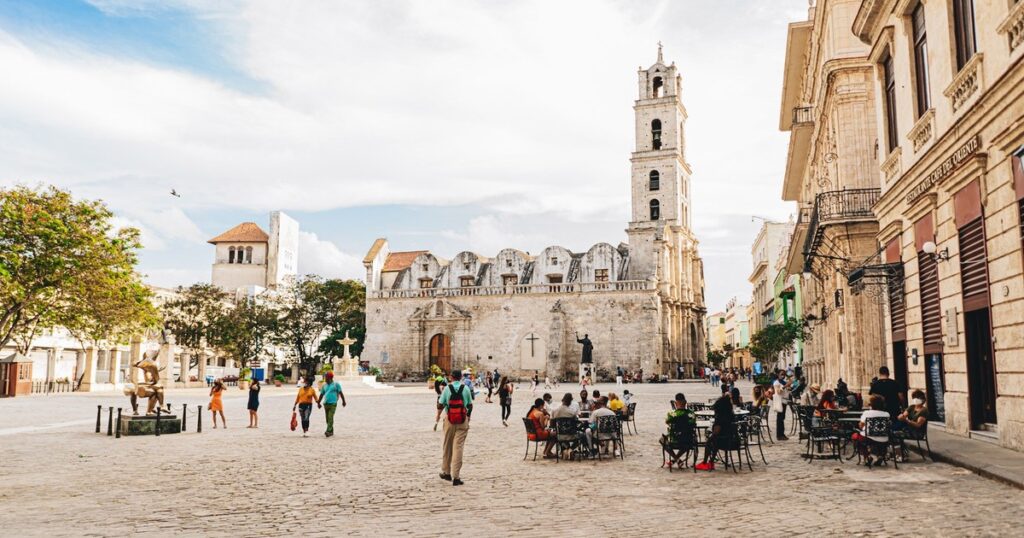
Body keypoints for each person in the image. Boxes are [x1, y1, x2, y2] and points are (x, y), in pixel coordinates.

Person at [438, 369, 473, 486]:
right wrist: (468, 417)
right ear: (461, 377)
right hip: (462, 420)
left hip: (449, 419)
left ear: (451, 377)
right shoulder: (466, 388)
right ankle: (456, 477)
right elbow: (470, 405)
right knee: (458, 447)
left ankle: (446, 472)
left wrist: (438, 416)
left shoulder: (447, 388)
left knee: (447, 445)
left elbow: (441, 403)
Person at [695, 386, 735, 471]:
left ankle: (705, 462)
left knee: (711, 441)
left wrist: (710, 437)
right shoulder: (731, 416)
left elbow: (716, 432)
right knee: (715, 440)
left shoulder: (720, 418)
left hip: (725, 442)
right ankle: (711, 461)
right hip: (733, 439)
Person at [853, 395, 891, 467]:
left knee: (855, 436)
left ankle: (866, 456)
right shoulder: (887, 414)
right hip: (884, 438)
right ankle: (880, 455)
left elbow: (861, 426)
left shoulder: (867, 413)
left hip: (869, 438)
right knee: (877, 439)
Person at [661, 393, 697, 468]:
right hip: (688, 439)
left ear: (676, 402)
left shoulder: (672, 414)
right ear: (685, 402)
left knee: (662, 440)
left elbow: (667, 422)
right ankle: (676, 459)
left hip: (675, 439)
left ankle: (676, 459)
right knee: (687, 440)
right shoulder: (691, 413)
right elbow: (693, 423)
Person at [317, 371, 346, 438]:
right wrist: (318, 403)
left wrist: (343, 401)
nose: (325, 378)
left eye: (326, 377)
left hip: (333, 403)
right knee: (327, 419)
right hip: (326, 404)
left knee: (330, 417)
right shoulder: (324, 385)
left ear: (330, 378)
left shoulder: (336, 385)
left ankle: (328, 431)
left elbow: (341, 393)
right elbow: (321, 394)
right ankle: (331, 431)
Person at [772, 371, 790, 441]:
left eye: (784, 375)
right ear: (778, 375)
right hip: (780, 401)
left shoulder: (782, 382)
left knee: (782, 418)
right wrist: (786, 386)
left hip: (784, 401)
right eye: (781, 374)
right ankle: (779, 435)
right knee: (780, 419)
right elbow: (778, 391)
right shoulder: (776, 383)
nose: (783, 376)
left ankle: (781, 434)